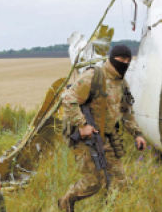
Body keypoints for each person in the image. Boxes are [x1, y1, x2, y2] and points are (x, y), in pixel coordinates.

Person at [59, 45, 147, 212]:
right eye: (121, 60)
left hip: (107, 137)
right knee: (94, 181)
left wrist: (137, 134)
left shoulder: (122, 83)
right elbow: (68, 99)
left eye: (128, 60)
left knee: (120, 182)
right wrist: (83, 125)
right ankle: (66, 202)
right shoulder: (94, 76)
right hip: (85, 138)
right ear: (112, 58)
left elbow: (126, 111)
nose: (125, 63)